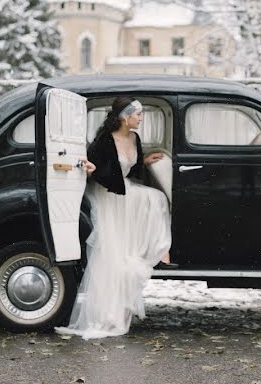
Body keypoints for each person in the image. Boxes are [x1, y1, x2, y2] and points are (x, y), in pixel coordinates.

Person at [55, 96, 173, 339]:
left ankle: (160, 248)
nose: (141, 118)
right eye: (137, 114)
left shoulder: (135, 138)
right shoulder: (105, 140)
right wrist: (92, 169)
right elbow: (99, 168)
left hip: (124, 188)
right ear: (124, 117)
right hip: (108, 193)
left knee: (155, 199)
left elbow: (135, 167)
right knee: (113, 251)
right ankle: (106, 313)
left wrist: (146, 160)